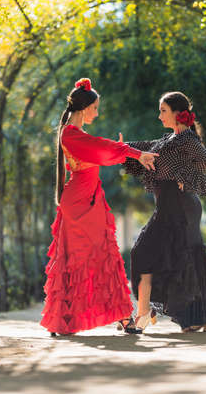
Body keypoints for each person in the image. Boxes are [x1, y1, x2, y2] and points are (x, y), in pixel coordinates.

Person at [40, 78, 158, 336]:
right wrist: (131, 152)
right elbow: (101, 149)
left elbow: (101, 151)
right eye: (95, 107)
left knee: (94, 257)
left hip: (86, 200)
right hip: (81, 203)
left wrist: (126, 151)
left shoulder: (74, 134)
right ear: (83, 109)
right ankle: (117, 317)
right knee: (95, 256)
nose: (97, 112)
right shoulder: (71, 134)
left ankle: (114, 316)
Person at [123, 91, 206, 333]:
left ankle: (150, 314)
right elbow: (144, 148)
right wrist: (120, 147)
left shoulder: (186, 139)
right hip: (168, 205)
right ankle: (151, 314)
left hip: (181, 206)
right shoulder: (169, 140)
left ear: (178, 114)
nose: (159, 116)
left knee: (173, 255)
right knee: (158, 255)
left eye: (163, 111)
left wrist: (185, 179)